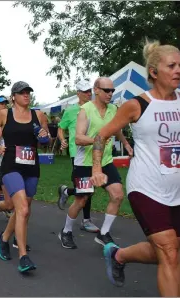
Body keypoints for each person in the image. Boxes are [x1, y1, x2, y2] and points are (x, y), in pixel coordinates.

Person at [91, 41, 180, 295]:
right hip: (147, 187)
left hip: (177, 188)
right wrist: (97, 168)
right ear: (154, 72)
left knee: (171, 250)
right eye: (171, 65)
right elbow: (102, 135)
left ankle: (119, 255)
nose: (178, 70)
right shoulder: (137, 104)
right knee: (170, 253)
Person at [58, 77, 132, 250]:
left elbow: (117, 129)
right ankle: (66, 231)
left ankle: (104, 233)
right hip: (85, 162)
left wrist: (126, 143)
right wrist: (97, 140)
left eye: (112, 91)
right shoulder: (85, 110)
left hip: (105, 161)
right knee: (81, 200)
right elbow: (78, 138)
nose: (110, 94)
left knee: (118, 194)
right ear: (96, 90)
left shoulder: (113, 109)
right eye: (107, 90)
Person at [0, 81, 49, 272]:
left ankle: (3, 238)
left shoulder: (38, 115)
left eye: (28, 92)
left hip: (31, 166)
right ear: (13, 96)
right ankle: (23, 256)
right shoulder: (4, 114)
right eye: (22, 93)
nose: (26, 95)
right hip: (11, 165)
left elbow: (45, 140)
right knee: (23, 209)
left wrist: (45, 136)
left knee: (22, 209)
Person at [56, 80, 99, 233]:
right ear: (78, 94)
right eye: (86, 91)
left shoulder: (95, 108)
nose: (89, 94)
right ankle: (86, 220)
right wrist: (62, 140)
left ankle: (67, 191)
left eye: (90, 91)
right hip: (78, 154)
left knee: (89, 188)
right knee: (87, 189)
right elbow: (61, 128)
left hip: (95, 153)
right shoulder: (71, 111)